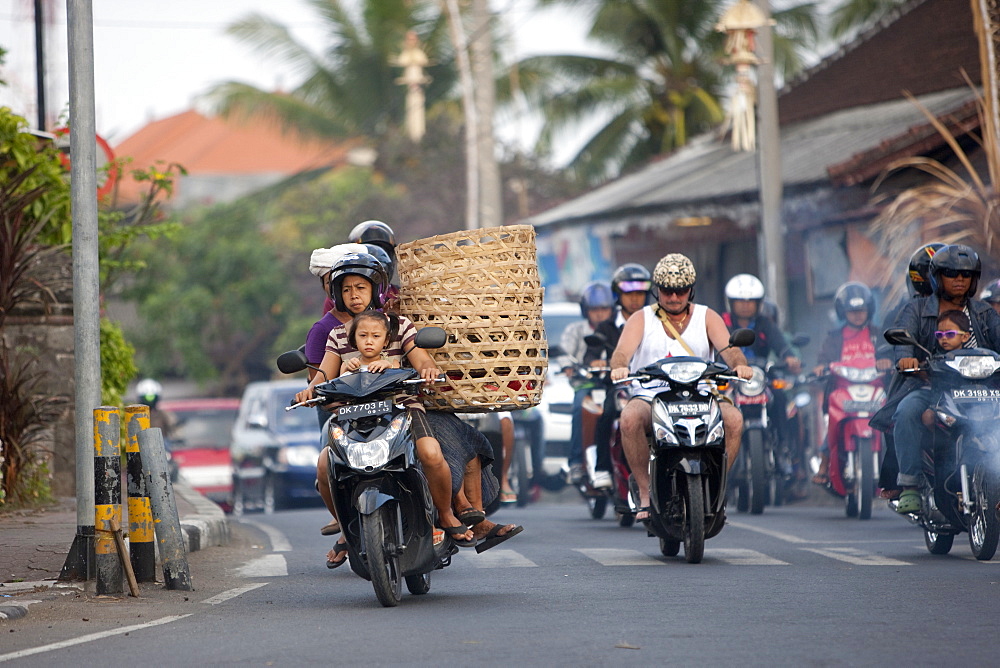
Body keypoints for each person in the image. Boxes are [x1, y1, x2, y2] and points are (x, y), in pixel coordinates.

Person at [294, 253, 475, 566]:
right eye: (347, 288)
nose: (354, 294)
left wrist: (427, 370)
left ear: (374, 291)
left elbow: (422, 361)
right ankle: (348, 530)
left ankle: (445, 514)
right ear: (336, 294)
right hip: (351, 415)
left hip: (402, 410)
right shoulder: (337, 336)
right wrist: (310, 389)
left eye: (361, 288)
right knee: (325, 466)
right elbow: (323, 375)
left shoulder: (400, 325)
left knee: (431, 453)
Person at [609, 254, 753, 522]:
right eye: (667, 291)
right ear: (657, 290)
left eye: (680, 291)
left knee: (734, 419)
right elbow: (621, 353)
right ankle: (644, 492)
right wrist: (619, 366)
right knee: (628, 419)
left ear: (690, 290)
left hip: (702, 393)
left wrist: (740, 365)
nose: (674, 297)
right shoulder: (641, 319)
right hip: (651, 395)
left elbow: (730, 350)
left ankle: (717, 490)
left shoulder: (707, 316)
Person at [876, 244, 1000, 514]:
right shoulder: (917, 309)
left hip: (982, 388)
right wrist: (905, 357)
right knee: (907, 411)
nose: (959, 279)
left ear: (973, 280)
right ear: (937, 277)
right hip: (930, 386)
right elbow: (903, 339)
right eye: (951, 273)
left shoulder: (983, 312)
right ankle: (910, 484)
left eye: (965, 275)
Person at [810, 282, 892, 484]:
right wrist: (821, 366)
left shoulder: (879, 334)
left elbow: (889, 352)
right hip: (843, 391)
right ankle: (824, 462)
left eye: (861, 310)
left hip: (876, 390)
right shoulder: (834, 337)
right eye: (852, 311)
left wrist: (888, 361)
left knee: (893, 422)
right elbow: (823, 358)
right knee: (832, 424)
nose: (857, 315)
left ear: (869, 310)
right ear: (842, 312)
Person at [583, 263, 654, 486]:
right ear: (617, 294)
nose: (635, 299)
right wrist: (597, 362)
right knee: (608, 411)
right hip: (620, 386)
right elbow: (590, 355)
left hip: (654, 386)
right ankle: (602, 467)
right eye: (629, 293)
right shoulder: (606, 327)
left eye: (640, 294)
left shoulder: (657, 323)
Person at [722, 273, 801, 448]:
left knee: (780, 398)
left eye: (750, 301)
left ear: (759, 303)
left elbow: (779, 343)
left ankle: (782, 447)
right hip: (729, 379)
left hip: (761, 377)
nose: (745, 306)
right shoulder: (722, 323)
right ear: (731, 302)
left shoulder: (765, 323)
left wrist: (789, 357)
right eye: (740, 301)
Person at [305, 243, 368, 434]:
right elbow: (318, 382)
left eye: (358, 286)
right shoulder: (323, 330)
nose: (352, 293)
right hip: (339, 410)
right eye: (329, 282)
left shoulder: (386, 321)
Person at [561, 281, 614, 484]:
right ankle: (575, 462)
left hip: (610, 385)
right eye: (594, 309)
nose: (600, 313)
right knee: (579, 409)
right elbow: (565, 353)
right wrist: (568, 366)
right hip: (586, 385)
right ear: (585, 310)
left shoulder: (616, 329)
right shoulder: (576, 330)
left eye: (604, 308)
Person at [920, 310, 973, 428]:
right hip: (942, 404)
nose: (944, 338)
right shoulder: (936, 358)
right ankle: (933, 444)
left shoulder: (974, 358)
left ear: (965, 337)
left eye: (950, 334)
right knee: (928, 417)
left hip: (969, 402)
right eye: (939, 335)